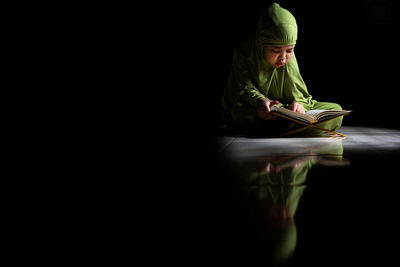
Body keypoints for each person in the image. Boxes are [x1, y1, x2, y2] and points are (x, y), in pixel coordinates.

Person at [221, 3, 343, 135]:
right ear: (261, 44)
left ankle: (274, 129)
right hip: (260, 108)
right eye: (276, 50)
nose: (283, 58)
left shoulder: (288, 59)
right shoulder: (244, 54)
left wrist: (298, 105)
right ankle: (297, 128)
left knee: (335, 110)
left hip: (284, 110)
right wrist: (260, 102)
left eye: (289, 50)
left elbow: (300, 94)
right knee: (238, 111)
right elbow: (242, 88)